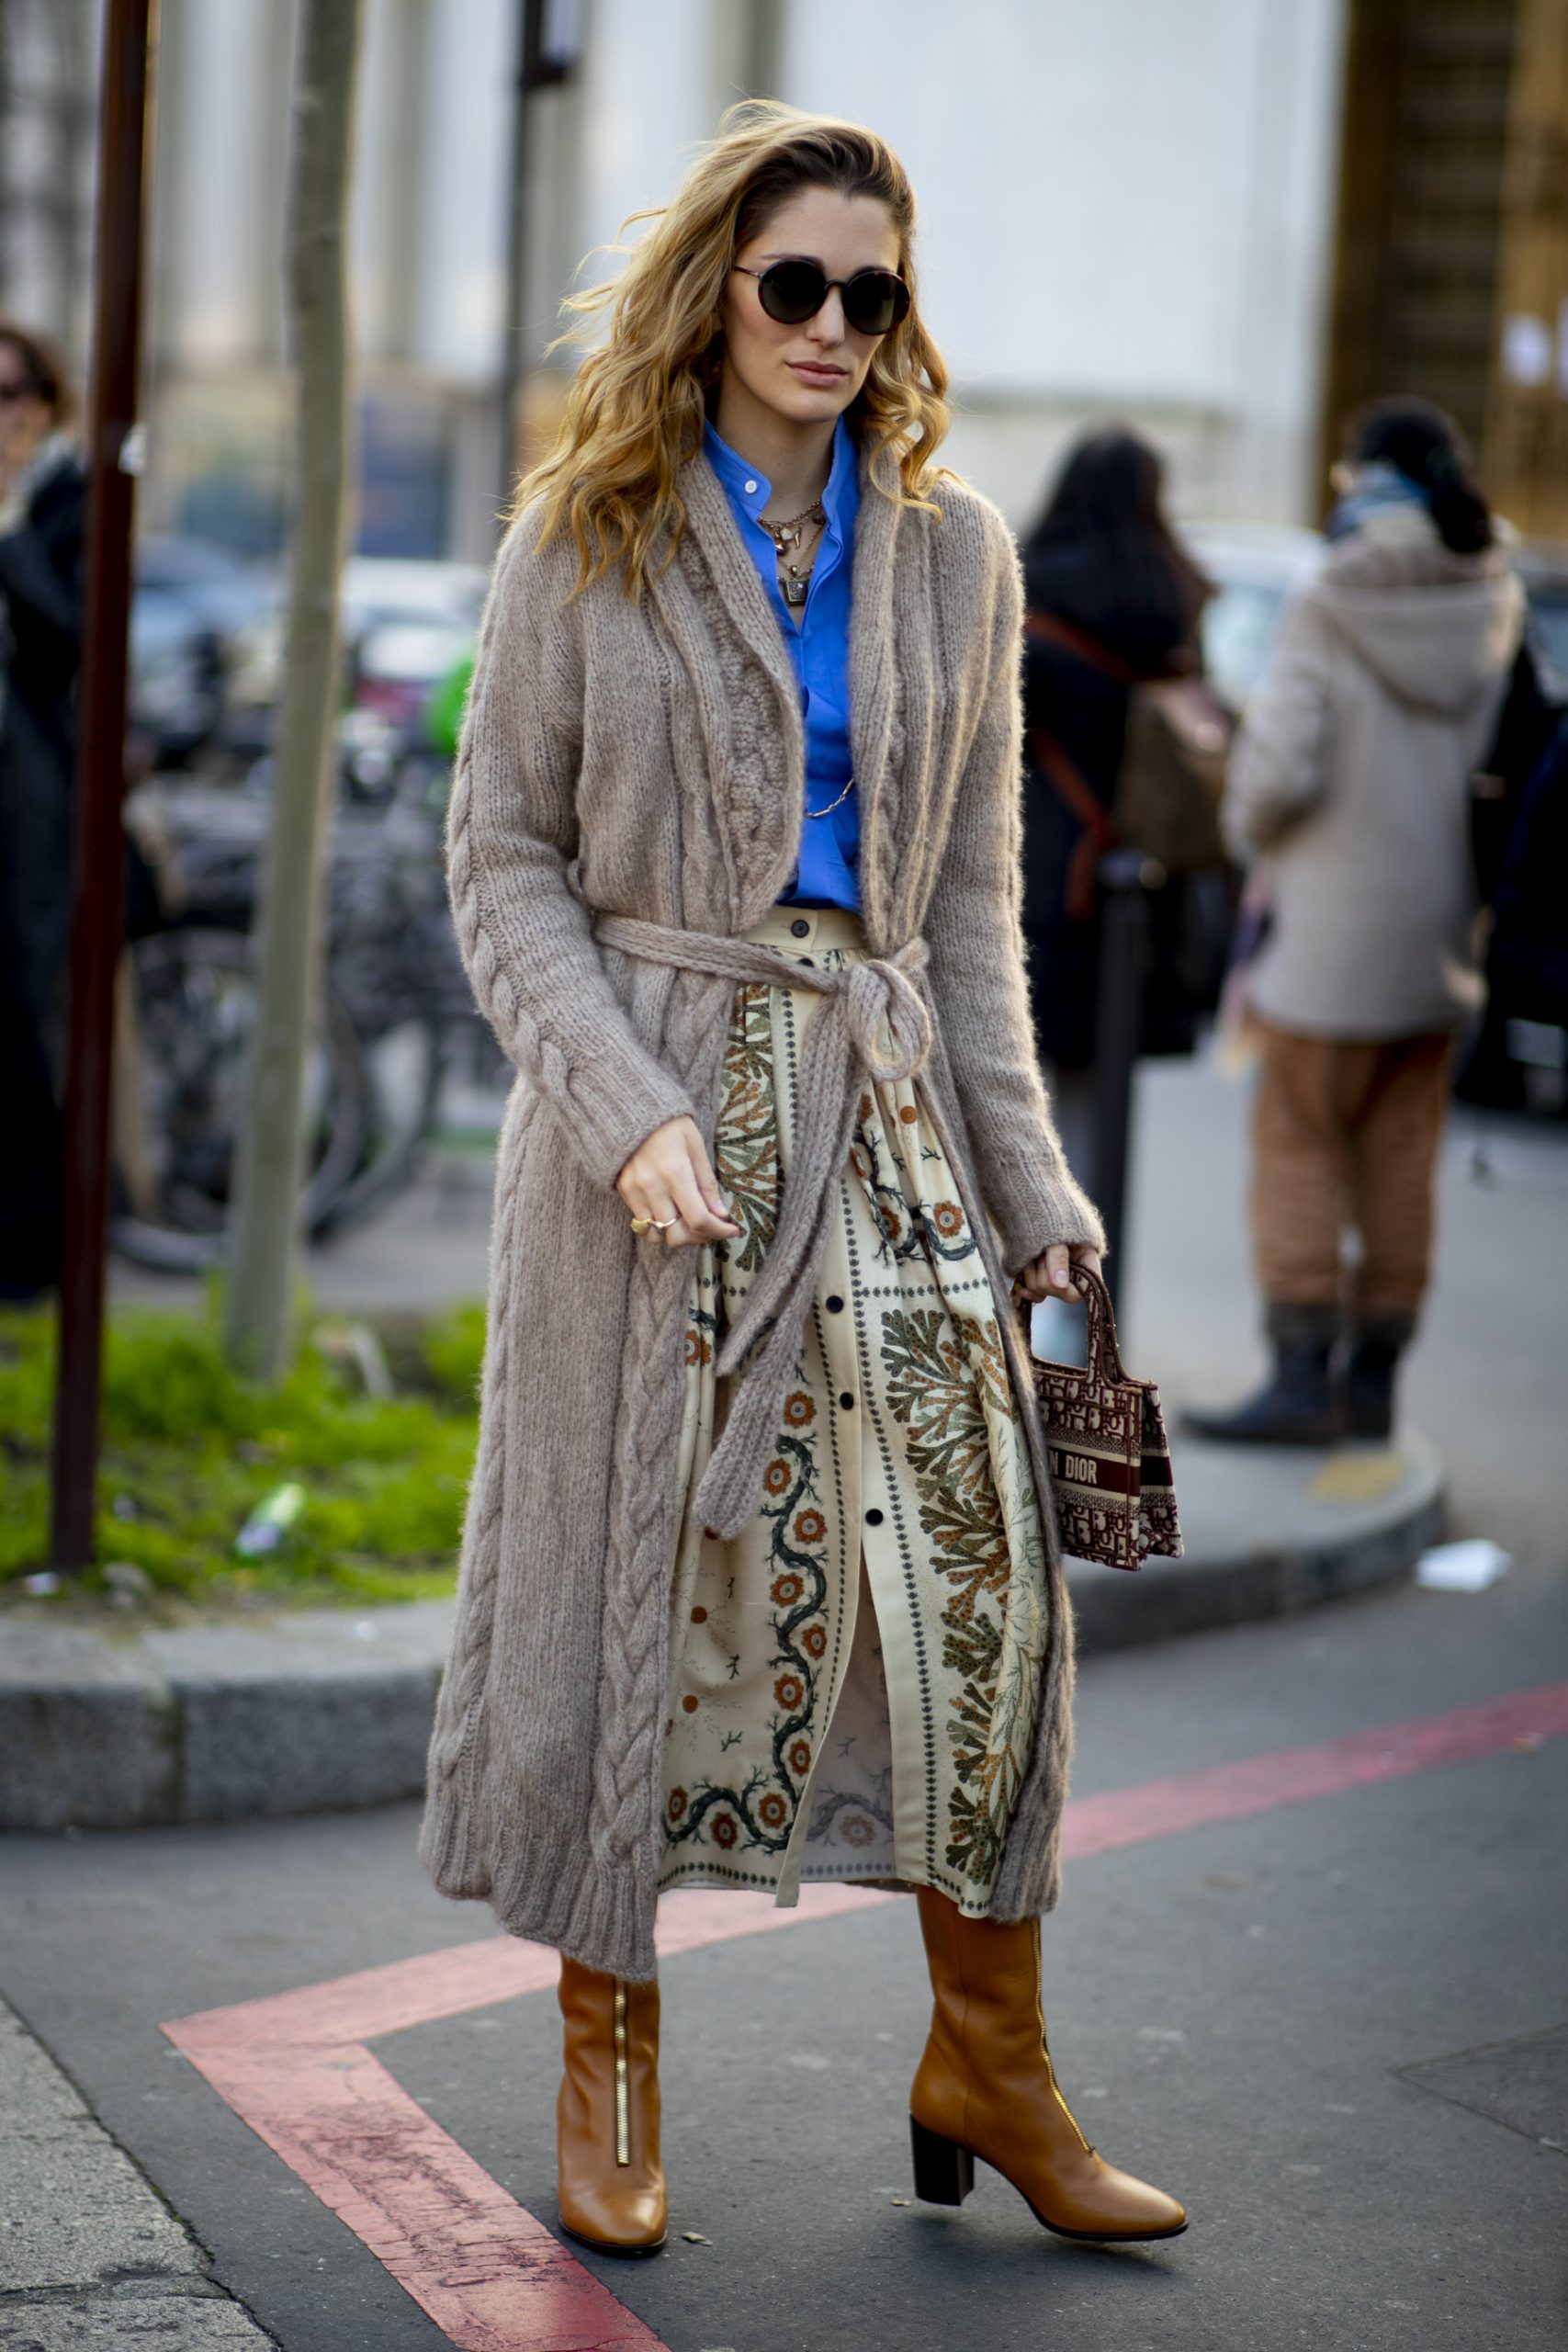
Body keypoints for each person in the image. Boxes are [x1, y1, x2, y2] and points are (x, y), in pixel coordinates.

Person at [419, 104, 1185, 2256]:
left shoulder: (952, 553)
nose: (838, 325)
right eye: (797, 284)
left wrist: (1031, 1173)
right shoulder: (585, 534)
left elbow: (966, 909)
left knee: (983, 1600)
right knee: (640, 1589)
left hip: (888, 1120)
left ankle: (988, 2056)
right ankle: (606, 2048)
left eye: (874, 290)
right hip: (655, 1125)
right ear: (714, 292)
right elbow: (498, 861)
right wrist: (615, 1101)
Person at [1189, 398, 1522, 1445]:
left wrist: (1245, 830)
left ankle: (1299, 1378)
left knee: (1298, 1143)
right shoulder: (1495, 591)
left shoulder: (1330, 591)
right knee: (1398, 1155)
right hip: (1440, 938)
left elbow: (1275, 770)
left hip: (1328, 935)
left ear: (1364, 477)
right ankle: (1373, 1386)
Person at [1017, 427, 1213, 1159]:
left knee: (1009, 1088)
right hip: (1139, 881)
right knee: (1096, 1105)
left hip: (1037, 873)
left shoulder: (1027, 592)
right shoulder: (1174, 601)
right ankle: (1090, 1261)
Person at [0, 322, 85, 1297]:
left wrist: (14, 528)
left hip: (31, 798)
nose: (5, 412)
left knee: (20, 1006)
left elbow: (68, 640)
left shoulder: (65, 500)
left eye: (17, 392)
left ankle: (32, 1251)